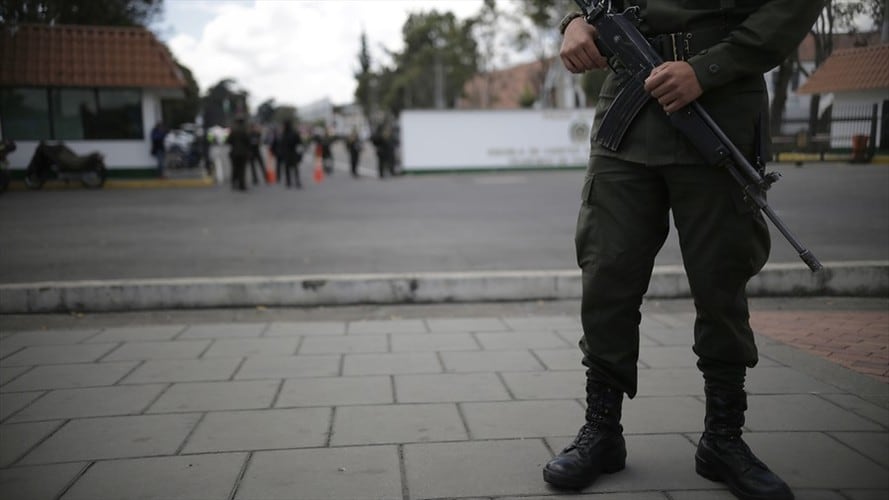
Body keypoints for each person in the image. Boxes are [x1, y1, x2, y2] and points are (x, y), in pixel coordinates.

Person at [542, 2, 824, 500]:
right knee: (606, 268)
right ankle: (602, 431)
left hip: (718, 103)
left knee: (721, 278)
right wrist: (574, 21)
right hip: (628, 102)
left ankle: (723, 438)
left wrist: (708, 68)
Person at [225, 117, 251, 191]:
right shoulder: (245, 131)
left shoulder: (233, 130)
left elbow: (228, 141)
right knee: (242, 169)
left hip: (234, 152)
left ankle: (234, 183)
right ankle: (242, 184)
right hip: (243, 153)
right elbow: (248, 142)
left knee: (235, 168)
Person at [279, 119, 303, 189]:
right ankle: (294, 181)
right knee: (293, 168)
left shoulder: (286, 134)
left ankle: (291, 182)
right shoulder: (288, 133)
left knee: (291, 168)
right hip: (291, 153)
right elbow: (299, 144)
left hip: (290, 153)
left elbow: (299, 144)